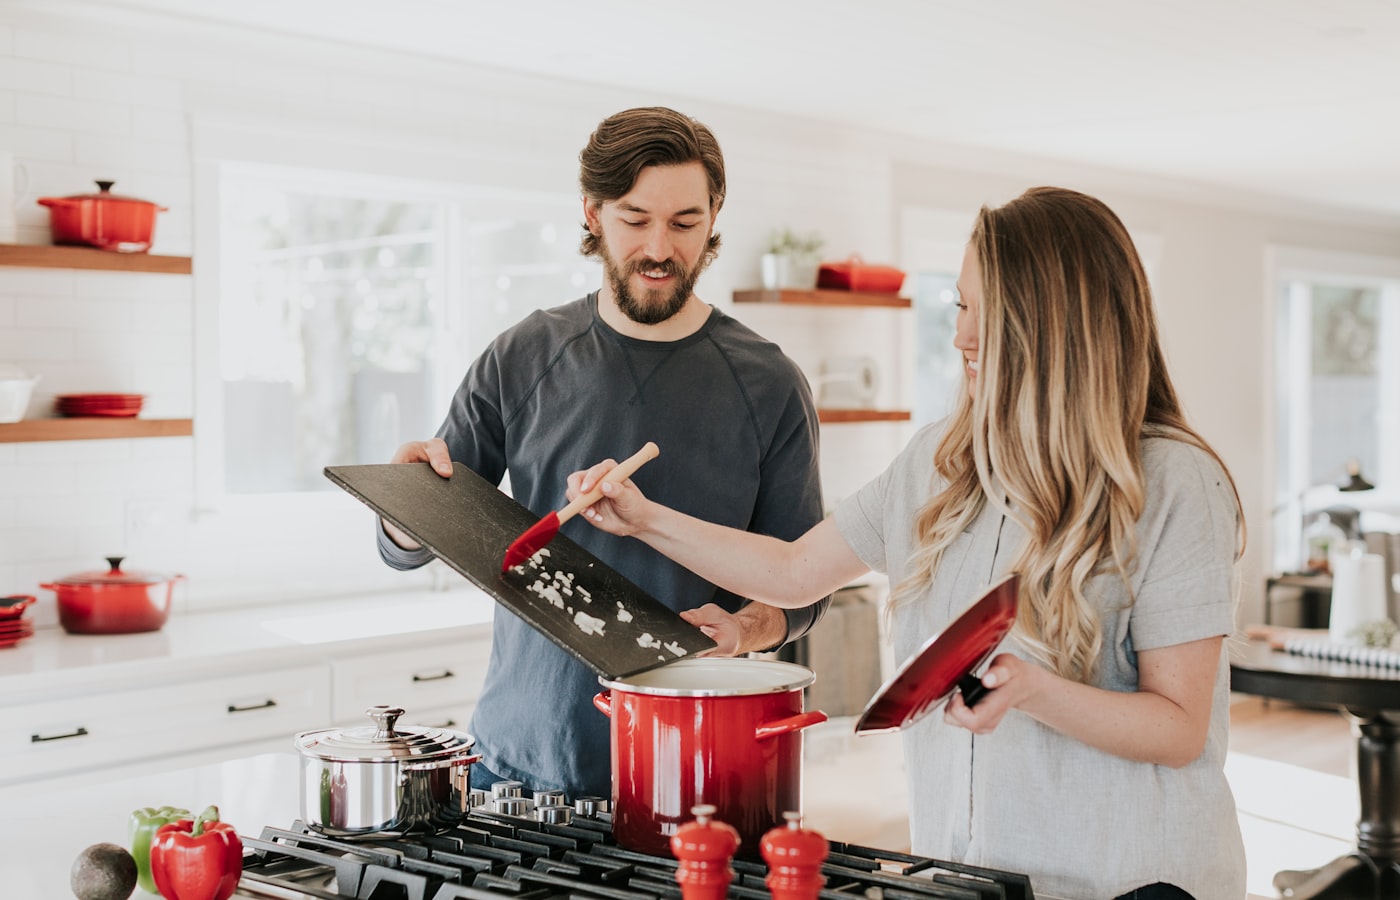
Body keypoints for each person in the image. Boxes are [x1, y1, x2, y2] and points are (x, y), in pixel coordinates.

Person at [571, 186, 1246, 900]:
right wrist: (644, 518)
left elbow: (1178, 729)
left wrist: (1034, 690)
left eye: (988, 312)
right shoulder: (939, 462)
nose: (961, 336)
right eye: (959, 305)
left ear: (1058, 325)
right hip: (964, 877)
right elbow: (797, 570)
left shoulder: (1175, 481)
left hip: (1133, 882)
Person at [376, 106, 829, 801]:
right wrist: (404, 508)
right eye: (634, 218)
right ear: (592, 213)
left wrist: (745, 628)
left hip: (694, 771)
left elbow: (803, 589)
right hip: (516, 767)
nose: (659, 247)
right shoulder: (522, 355)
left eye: (684, 223)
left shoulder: (769, 384)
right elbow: (420, 531)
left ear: (713, 218)